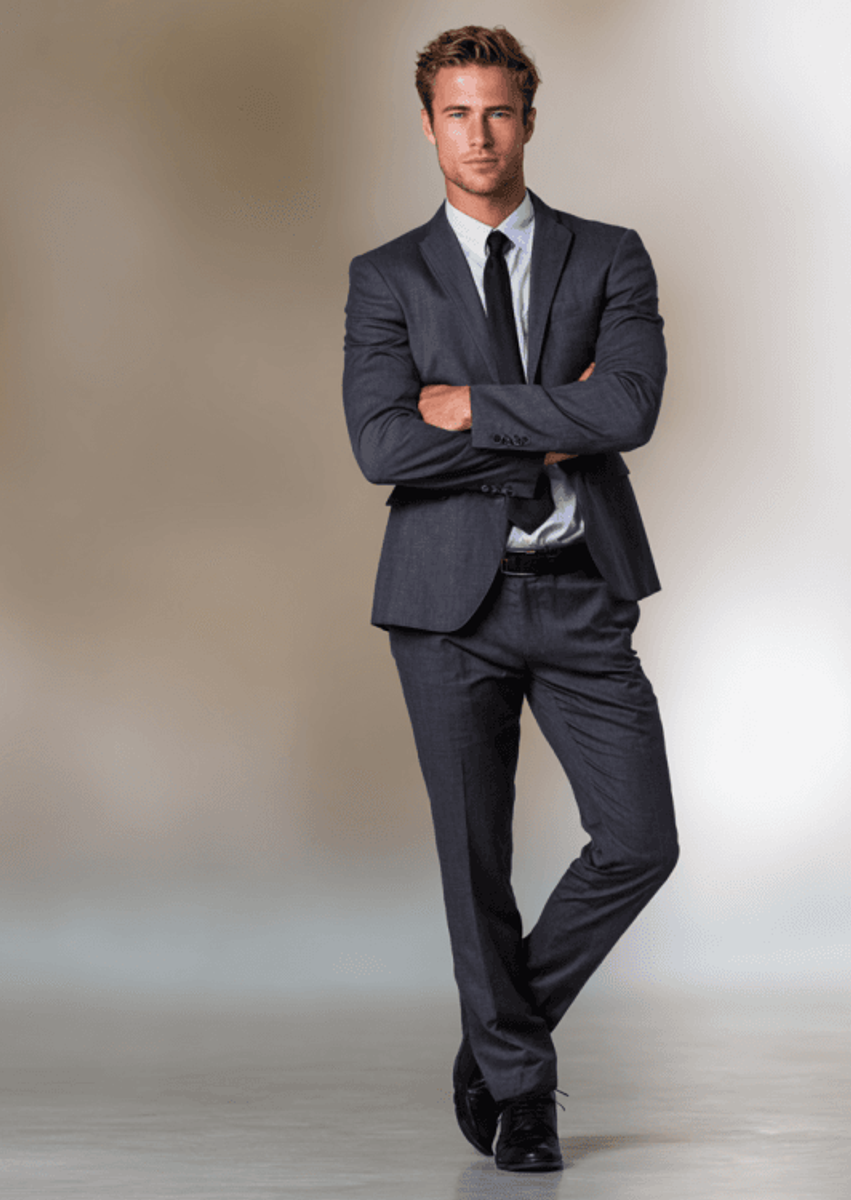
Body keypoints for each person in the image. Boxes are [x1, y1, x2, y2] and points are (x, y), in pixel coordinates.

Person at [341, 25, 679, 1174]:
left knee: (639, 841)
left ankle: (497, 1039)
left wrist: (472, 411)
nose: (478, 135)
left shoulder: (610, 257)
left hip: (583, 593)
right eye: (456, 114)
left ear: (529, 120)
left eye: (498, 112)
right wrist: (547, 418)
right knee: (474, 858)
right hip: (448, 608)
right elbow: (382, 442)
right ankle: (524, 1096)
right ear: (428, 124)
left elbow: (628, 410)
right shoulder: (385, 278)